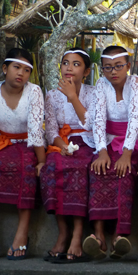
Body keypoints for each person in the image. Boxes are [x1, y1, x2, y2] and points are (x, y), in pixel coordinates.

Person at [0, 48, 45, 260]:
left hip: (28, 144)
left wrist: (42, 161)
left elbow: (36, 130)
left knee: (27, 171)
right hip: (2, 142)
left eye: (26, 70)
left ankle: (21, 235)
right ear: (5, 68)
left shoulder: (34, 91)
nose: (21, 74)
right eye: (16, 67)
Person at [83, 46, 138, 260]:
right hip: (106, 141)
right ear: (102, 69)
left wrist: (127, 153)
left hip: (131, 141)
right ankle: (98, 236)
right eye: (108, 68)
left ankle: (119, 235)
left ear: (128, 66)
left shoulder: (136, 82)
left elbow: (135, 118)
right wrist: (101, 152)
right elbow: (98, 119)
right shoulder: (100, 84)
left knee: (124, 173)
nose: (113, 72)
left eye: (118, 66)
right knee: (98, 170)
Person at [40, 48, 95, 263]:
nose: (69, 68)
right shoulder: (52, 95)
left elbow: (91, 125)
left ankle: (78, 233)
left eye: (76, 64)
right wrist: (62, 146)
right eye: (65, 63)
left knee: (80, 168)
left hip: (89, 142)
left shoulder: (94, 93)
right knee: (52, 167)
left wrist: (73, 97)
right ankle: (63, 232)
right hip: (62, 143)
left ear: (86, 71)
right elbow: (51, 130)